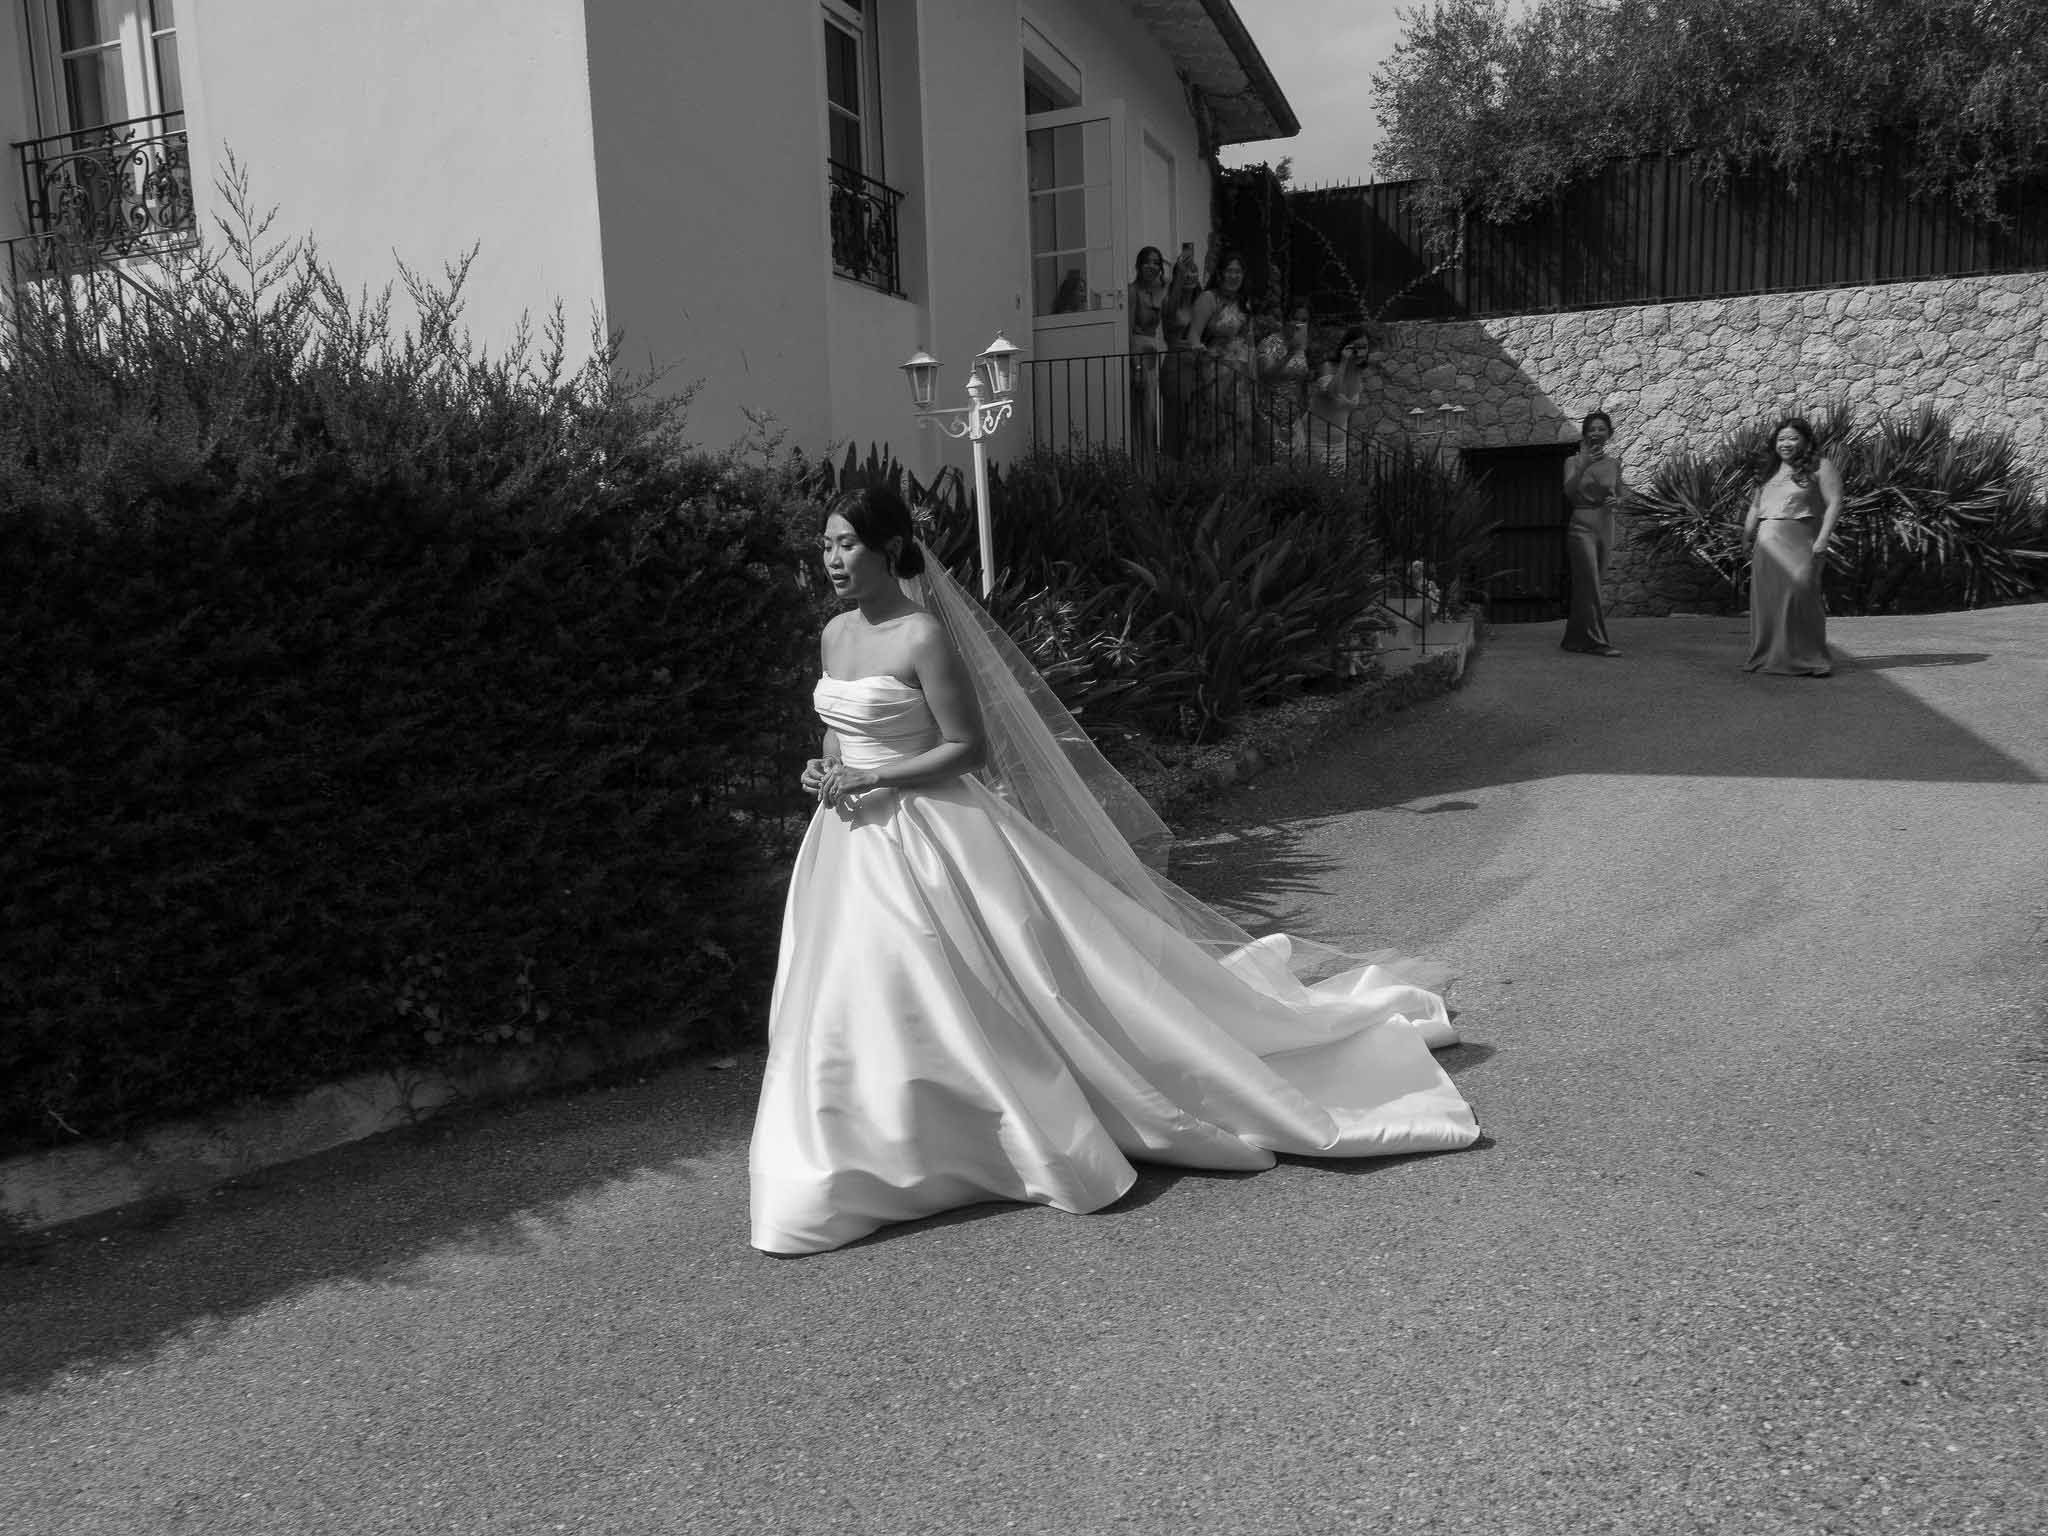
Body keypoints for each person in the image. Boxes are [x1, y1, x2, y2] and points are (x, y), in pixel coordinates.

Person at [750, 487, 1480, 1255]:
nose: (832, 559)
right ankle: (873, 1143)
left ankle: (987, 1134)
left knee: (966, 980)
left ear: (889, 549)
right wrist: (824, 768)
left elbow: (967, 749)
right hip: (847, 840)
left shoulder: (924, 635)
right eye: (826, 544)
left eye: (845, 545)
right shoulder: (834, 634)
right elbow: (839, 734)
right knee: (849, 993)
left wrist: (877, 778)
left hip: (928, 834)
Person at [1741, 417, 1840, 677]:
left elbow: (1835, 503)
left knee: (1801, 597)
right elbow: (1755, 507)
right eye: (1781, 439)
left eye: (1793, 438)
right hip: (1766, 543)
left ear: (1806, 441)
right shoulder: (1769, 470)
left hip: (1802, 541)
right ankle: (1768, 658)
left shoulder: (1821, 466)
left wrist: (1823, 538)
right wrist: (1746, 536)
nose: (1786, 444)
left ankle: (1810, 659)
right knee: (1769, 602)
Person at [1560, 410, 1625, 657]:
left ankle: (1574, 640)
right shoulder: (1572, 461)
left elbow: (1620, 493)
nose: (1597, 433)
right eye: (1592, 429)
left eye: (1601, 429)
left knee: (1591, 583)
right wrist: (1584, 464)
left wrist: (1616, 501)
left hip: (1605, 524)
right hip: (1581, 524)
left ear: (1609, 433)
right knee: (1590, 584)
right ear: (1585, 434)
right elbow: (1568, 491)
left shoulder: (1614, 463)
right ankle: (1597, 642)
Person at [1180, 251, 1255, 456]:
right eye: (1229, 271)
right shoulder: (1208, 298)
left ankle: (1237, 482)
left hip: (1240, 376)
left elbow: (1249, 340)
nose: (1234, 276)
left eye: (1238, 271)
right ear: (1220, 274)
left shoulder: (1244, 302)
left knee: (1240, 427)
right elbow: (1193, 335)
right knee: (1213, 428)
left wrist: (1253, 373)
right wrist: (1198, 348)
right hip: (1213, 374)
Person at [1300, 323, 1374, 473]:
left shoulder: (1358, 371)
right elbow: (1333, 393)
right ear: (1347, 347)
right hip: (1316, 437)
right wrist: (1344, 363)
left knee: (1338, 487)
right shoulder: (1328, 367)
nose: (1360, 352)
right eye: (1356, 347)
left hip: (1339, 441)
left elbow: (1349, 408)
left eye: (1364, 347)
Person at [1127, 247, 1169, 472]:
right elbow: (1129, 332)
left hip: (1154, 354)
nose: (1152, 266)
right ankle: (1142, 469)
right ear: (1139, 265)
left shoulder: (1162, 290)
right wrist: (1136, 366)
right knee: (1143, 415)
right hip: (1139, 354)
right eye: (1147, 262)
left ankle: (1153, 467)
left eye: (1156, 262)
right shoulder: (1133, 291)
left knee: (1153, 414)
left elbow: (1177, 283)